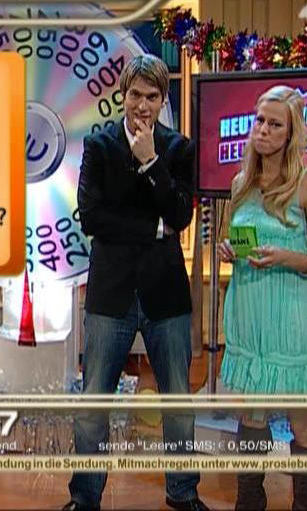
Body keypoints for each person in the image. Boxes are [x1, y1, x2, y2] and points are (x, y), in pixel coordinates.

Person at [64, 54, 209, 511]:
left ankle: (183, 493)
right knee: (94, 405)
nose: (142, 105)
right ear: (122, 96)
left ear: (163, 100)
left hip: (166, 295)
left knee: (177, 403)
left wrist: (150, 163)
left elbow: (180, 216)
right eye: (135, 95)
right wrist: (153, 228)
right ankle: (84, 497)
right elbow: (92, 218)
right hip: (111, 295)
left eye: (151, 96)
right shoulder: (99, 145)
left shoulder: (178, 149)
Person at [218, 85, 307, 511]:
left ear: (291, 134)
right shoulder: (240, 184)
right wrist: (229, 251)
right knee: (251, 414)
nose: (263, 130)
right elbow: (235, 240)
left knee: (301, 422)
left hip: (289, 317)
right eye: (259, 121)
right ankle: (249, 502)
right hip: (248, 313)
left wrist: (289, 257)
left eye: (274, 124)